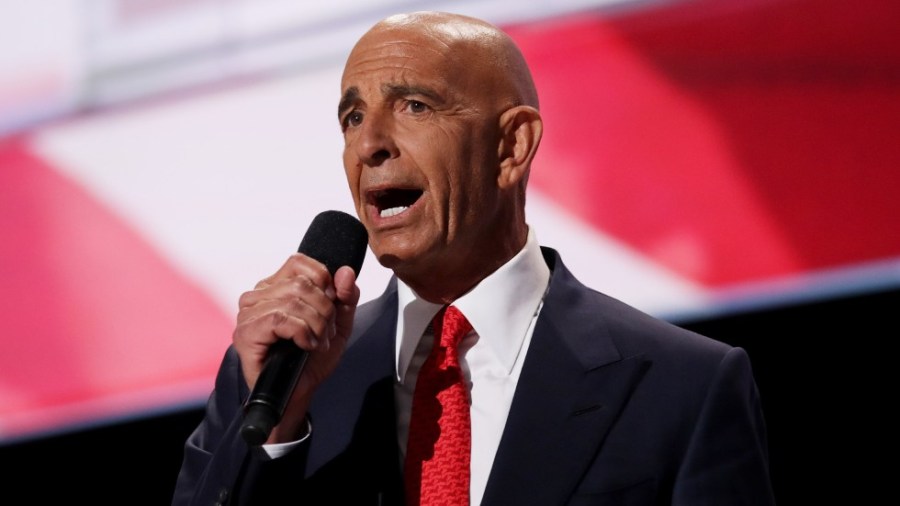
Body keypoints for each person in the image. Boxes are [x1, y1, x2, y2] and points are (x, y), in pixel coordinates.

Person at [172, 10, 775, 506]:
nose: (369, 144)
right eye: (352, 117)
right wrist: (278, 431)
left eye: (414, 106)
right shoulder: (276, 378)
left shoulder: (684, 386)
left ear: (512, 146)